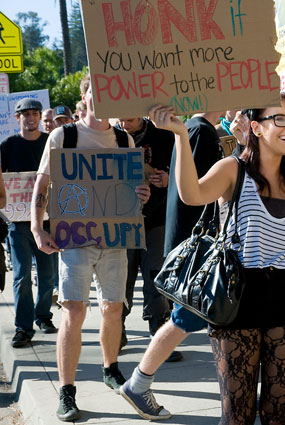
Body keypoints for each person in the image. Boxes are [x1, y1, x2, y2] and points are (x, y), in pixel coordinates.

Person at [121, 93, 285, 424]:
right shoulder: (232, 170)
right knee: (237, 414)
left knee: (279, 414)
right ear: (256, 127)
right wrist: (180, 134)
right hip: (238, 300)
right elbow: (191, 194)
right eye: (279, 119)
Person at [30, 73, 151, 422]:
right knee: (74, 311)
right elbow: (44, 183)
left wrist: (141, 192)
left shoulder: (124, 138)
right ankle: (67, 391)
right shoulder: (63, 135)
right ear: (85, 97)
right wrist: (38, 228)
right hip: (75, 240)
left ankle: (110, 368)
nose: (103, 98)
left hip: (114, 242)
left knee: (114, 308)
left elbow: (134, 185)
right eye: (95, 92)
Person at [117, 110, 226, 420]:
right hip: (201, 247)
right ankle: (138, 383)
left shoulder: (195, 128)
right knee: (183, 320)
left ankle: (235, 396)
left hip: (196, 244)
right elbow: (202, 190)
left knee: (215, 321)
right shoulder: (201, 130)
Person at [115, 117, 178, 360]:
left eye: (129, 117)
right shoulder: (111, 138)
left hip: (157, 217)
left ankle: (159, 333)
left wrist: (167, 179)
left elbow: (185, 167)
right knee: (123, 275)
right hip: (122, 219)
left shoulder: (164, 135)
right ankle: (117, 329)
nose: (124, 122)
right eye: (120, 118)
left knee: (156, 275)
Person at [0, 98, 57, 348]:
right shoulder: (7, 146)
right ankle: (23, 327)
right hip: (18, 221)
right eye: (26, 114)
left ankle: (43, 316)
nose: (31, 118)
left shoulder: (50, 143)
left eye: (35, 113)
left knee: (47, 274)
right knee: (22, 275)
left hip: (48, 220)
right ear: (17, 118)